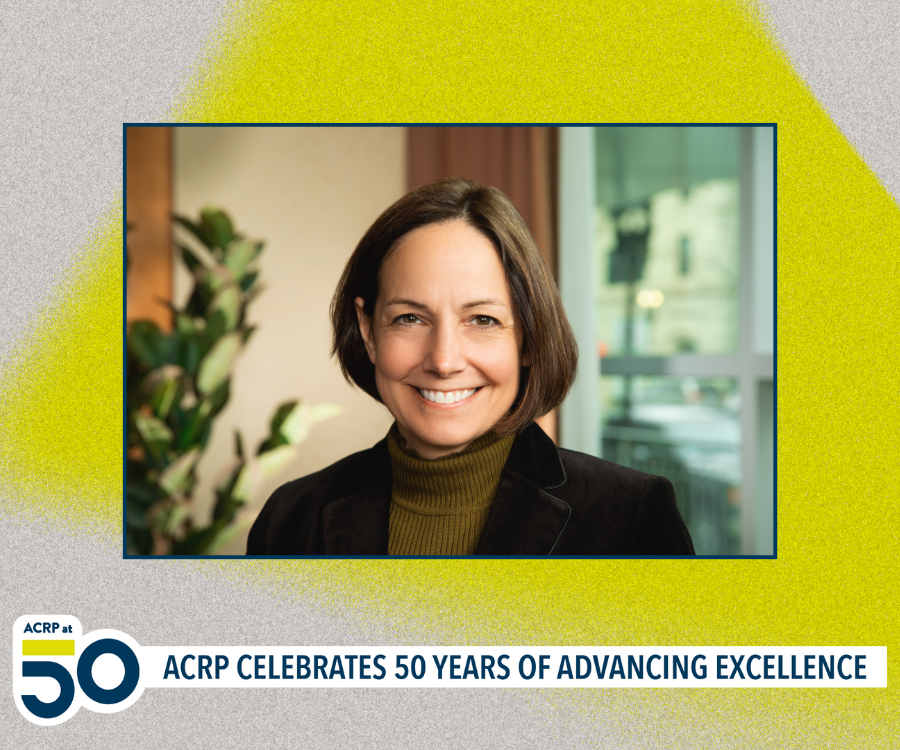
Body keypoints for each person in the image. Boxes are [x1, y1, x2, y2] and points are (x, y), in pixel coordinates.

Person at [247, 178, 694, 556]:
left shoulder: (632, 517)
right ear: (368, 332)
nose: (443, 360)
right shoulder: (289, 520)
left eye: (483, 320)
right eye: (410, 318)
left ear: (528, 338)